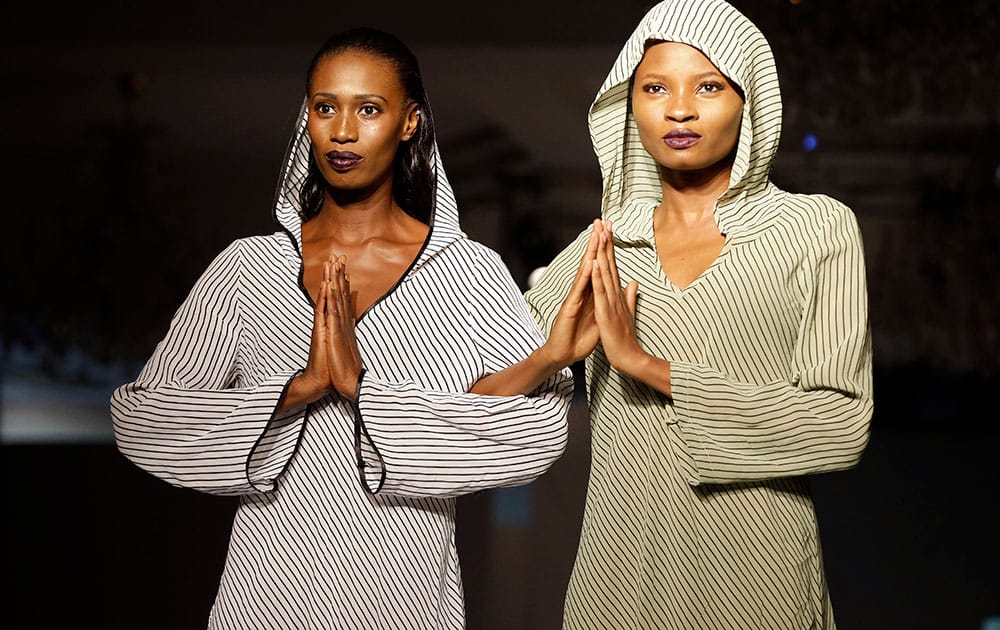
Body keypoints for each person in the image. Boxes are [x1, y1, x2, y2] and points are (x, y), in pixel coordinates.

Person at [110, 27, 574, 629]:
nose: (344, 131)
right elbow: (142, 419)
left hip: (409, 605)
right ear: (307, 117)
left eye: (369, 109)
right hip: (262, 604)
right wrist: (294, 392)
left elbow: (537, 429)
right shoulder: (248, 269)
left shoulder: (466, 270)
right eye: (325, 107)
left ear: (409, 123)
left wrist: (366, 397)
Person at [486, 0, 874, 627]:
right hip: (618, 583)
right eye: (655, 87)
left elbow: (841, 425)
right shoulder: (600, 250)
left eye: (709, 87)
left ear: (749, 103)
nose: (680, 109)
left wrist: (647, 366)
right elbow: (481, 393)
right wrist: (553, 355)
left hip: (760, 579)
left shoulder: (814, 228)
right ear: (627, 104)